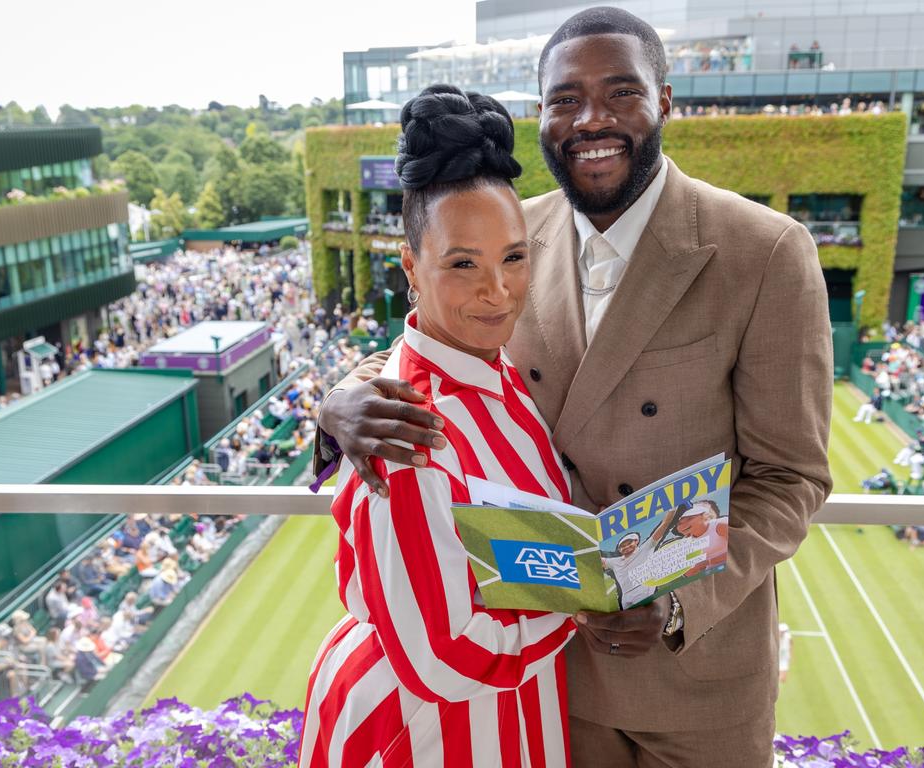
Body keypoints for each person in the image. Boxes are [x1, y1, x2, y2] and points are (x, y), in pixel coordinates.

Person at [315, 8, 832, 766]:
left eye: (621, 93)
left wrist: (678, 600)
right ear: (542, 116)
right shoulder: (511, 234)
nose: (593, 119)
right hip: (553, 678)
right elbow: (441, 342)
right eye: (566, 100)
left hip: (697, 675)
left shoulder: (766, 251)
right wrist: (337, 399)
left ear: (664, 101)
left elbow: (790, 477)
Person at [299, 85, 577, 767]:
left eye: (513, 257)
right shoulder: (410, 427)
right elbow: (446, 658)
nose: (498, 289)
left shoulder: (494, 367)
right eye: (463, 264)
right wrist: (591, 598)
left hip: (506, 722)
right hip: (423, 736)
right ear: (410, 267)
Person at [602, 502, 679, 608]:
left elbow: (664, 524)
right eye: (622, 546)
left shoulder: (646, 547)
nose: (626, 547)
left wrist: (673, 506)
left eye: (629, 543)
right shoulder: (615, 561)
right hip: (625, 597)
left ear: (636, 541)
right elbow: (599, 560)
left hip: (643, 591)